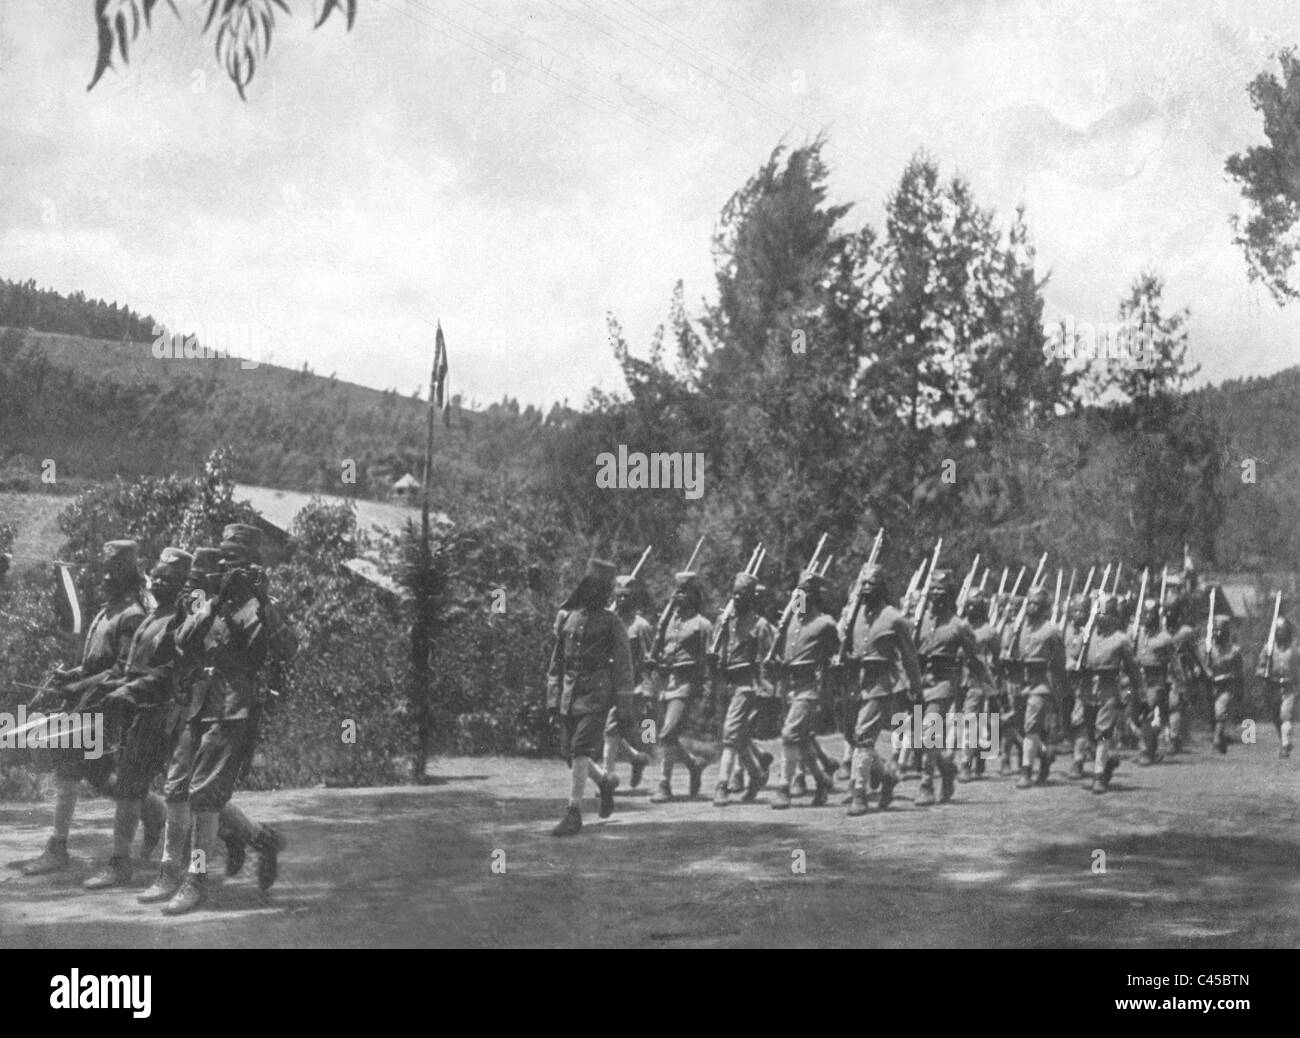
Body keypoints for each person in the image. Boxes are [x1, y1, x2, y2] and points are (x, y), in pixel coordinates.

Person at [162, 525, 287, 914]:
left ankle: (196, 881)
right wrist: (214, 603)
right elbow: (182, 639)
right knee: (187, 789)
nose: (226, 564)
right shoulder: (208, 598)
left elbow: (286, 648)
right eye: (223, 556)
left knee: (204, 795)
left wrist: (261, 603)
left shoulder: (257, 604)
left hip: (235, 704)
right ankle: (261, 839)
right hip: (201, 702)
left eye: (235, 558)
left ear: (251, 562)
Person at [22, 540, 150, 877]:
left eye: (113, 575)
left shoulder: (132, 616)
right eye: (104, 573)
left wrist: (78, 685)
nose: (105, 579)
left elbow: (120, 672)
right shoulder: (104, 614)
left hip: (109, 713)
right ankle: (158, 815)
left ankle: (58, 848)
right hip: (87, 707)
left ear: (128, 579)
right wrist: (71, 675)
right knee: (101, 776)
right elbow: (92, 666)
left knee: (70, 769)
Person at [83, 547, 192, 890]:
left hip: (166, 716)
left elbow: (168, 673)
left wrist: (129, 691)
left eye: (168, 578)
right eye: (156, 575)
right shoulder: (152, 616)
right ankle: (120, 863)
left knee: (188, 795)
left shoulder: (182, 621)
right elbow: (130, 670)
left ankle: (252, 838)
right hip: (141, 715)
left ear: (183, 585)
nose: (158, 581)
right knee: (130, 787)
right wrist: (112, 688)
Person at [546, 558, 631, 836]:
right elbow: (556, 662)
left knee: (581, 749)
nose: (594, 594)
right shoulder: (568, 617)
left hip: (597, 694)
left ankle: (573, 813)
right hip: (570, 695)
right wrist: (552, 698)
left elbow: (622, 666)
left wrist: (624, 706)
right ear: (584, 588)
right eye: (590, 588)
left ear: (606, 594)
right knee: (572, 755)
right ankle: (605, 782)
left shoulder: (612, 623)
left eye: (600, 590)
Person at [842, 565, 922, 815]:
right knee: (852, 735)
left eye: (871, 585)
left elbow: (909, 657)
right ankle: (887, 774)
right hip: (856, 684)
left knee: (864, 736)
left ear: (881, 588)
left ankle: (859, 793)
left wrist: (915, 689)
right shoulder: (852, 615)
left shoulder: (893, 618)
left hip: (881, 684)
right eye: (862, 584)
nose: (866, 589)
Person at [913, 570, 994, 806]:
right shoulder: (920, 621)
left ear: (950, 595)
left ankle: (926, 784)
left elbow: (976, 658)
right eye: (933, 589)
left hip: (945, 682)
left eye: (942, 590)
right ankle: (947, 769)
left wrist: (991, 689)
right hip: (920, 681)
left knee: (929, 731)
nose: (936, 594)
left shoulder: (959, 626)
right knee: (919, 738)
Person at [770, 572, 839, 809]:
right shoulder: (790, 623)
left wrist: (827, 690)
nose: (798, 600)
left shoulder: (825, 624)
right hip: (789, 687)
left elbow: (835, 656)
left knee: (790, 734)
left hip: (810, 687)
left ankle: (783, 788)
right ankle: (821, 781)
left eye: (804, 596)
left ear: (814, 598)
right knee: (802, 741)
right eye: (796, 596)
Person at [710, 571, 774, 806]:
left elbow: (769, 658)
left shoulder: (759, 625)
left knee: (730, 734)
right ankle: (756, 775)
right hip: (725, 682)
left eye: (743, 594)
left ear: (751, 597)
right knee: (739, 736)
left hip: (747, 684)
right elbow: (716, 649)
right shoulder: (724, 621)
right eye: (734, 594)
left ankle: (722, 785)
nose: (737, 598)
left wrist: (767, 691)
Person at [648, 573, 712, 803]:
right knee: (665, 735)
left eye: (686, 592)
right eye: (678, 591)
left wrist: (706, 692)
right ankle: (693, 764)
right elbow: (658, 649)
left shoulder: (702, 625)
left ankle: (663, 784)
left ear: (695, 595)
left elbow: (707, 660)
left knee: (667, 733)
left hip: (686, 683)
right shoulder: (667, 622)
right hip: (664, 682)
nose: (681, 596)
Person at [1076, 594, 1142, 794]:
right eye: (1100, 613)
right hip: (1088, 689)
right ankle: (1107, 762)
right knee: (1090, 735)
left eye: (1107, 614)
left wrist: (1139, 693)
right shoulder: (1087, 635)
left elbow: (1133, 669)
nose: (1102, 618)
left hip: (1108, 688)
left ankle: (1098, 776)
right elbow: (1072, 658)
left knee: (1103, 732)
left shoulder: (1121, 639)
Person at [1002, 586, 1066, 788]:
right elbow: (1005, 651)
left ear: (1044, 607)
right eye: (1029, 603)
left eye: (1036, 604)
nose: (1031, 607)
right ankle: (1044, 754)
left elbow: (1059, 662)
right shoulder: (1016, 628)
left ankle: (1026, 771)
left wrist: (1059, 690)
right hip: (1020, 683)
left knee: (1031, 727)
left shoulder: (1051, 631)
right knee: (1021, 730)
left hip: (1040, 685)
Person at [605, 574, 654, 787]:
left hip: (632, 686)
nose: (622, 600)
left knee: (612, 729)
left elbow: (649, 661)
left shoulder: (641, 626)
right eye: (619, 596)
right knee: (610, 729)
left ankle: (607, 777)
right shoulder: (608, 620)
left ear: (634, 598)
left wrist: (649, 691)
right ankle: (635, 758)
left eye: (627, 596)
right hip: (608, 683)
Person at [958, 588, 1000, 780]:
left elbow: (997, 657)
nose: (971, 609)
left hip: (978, 681)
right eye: (969, 605)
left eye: (976, 606)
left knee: (971, 722)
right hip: (958, 680)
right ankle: (974, 753)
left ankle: (966, 763)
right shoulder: (960, 627)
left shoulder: (990, 632)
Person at [1133, 599, 1175, 766]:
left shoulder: (1165, 638)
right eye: (1145, 614)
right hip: (1137, 680)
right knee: (1135, 717)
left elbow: (1174, 661)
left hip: (1156, 680)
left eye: (1151, 614)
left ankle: (1145, 751)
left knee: (1148, 712)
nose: (1147, 617)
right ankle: (1152, 748)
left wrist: (1178, 682)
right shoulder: (1136, 633)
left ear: (1157, 616)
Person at [1258, 616, 1298, 758]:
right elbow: (1260, 667)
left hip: (1289, 688)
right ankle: (1284, 742)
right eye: (1278, 630)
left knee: (1286, 715)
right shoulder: (1268, 648)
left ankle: (1285, 745)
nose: (1281, 633)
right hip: (1272, 687)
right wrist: (1264, 673)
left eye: (1283, 630)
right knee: (1276, 718)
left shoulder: (1295, 649)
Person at [1206, 614, 1243, 755]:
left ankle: (1216, 739)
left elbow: (1239, 672)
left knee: (1220, 712)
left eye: (1221, 630)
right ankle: (1220, 737)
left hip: (1226, 686)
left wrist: (1239, 689)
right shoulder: (1207, 648)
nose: (1218, 633)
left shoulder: (1234, 650)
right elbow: (1202, 665)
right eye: (1216, 630)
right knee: (1213, 715)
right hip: (1211, 685)